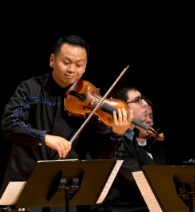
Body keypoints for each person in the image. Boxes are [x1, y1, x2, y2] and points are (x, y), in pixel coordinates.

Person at [0, 35, 128, 212]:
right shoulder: (30, 89)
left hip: (64, 193)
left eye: (78, 64)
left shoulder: (90, 103)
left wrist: (116, 135)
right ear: (52, 60)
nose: (71, 70)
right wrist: (44, 137)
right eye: (66, 62)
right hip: (25, 182)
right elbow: (10, 123)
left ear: (85, 67)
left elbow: (98, 151)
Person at [90, 86, 170, 212]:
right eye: (138, 100)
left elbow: (155, 173)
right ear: (122, 107)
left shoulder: (131, 137)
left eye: (142, 99)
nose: (144, 104)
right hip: (114, 208)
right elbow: (139, 182)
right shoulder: (112, 140)